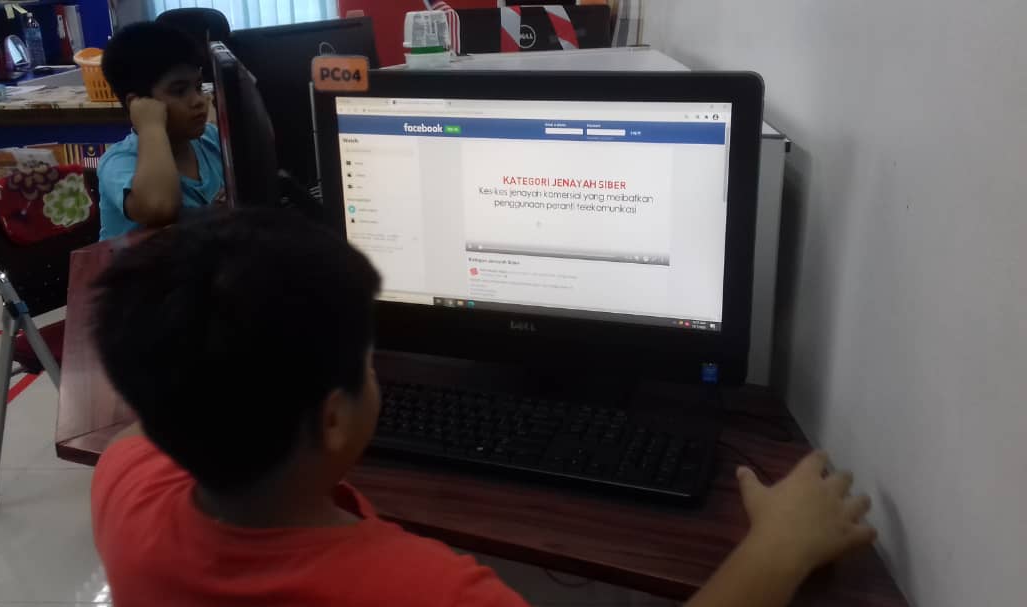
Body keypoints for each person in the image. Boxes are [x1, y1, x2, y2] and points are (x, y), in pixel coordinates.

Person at [90, 208, 877, 607]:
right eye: (369, 359)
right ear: (332, 417)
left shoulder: (123, 488)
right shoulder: (431, 592)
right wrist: (778, 548)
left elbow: (152, 416)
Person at [96, 22, 225, 241]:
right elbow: (159, 207)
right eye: (179, 91)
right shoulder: (118, 162)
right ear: (138, 103)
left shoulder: (210, 139)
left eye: (198, 87)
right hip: (141, 263)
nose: (198, 101)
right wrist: (151, 126)